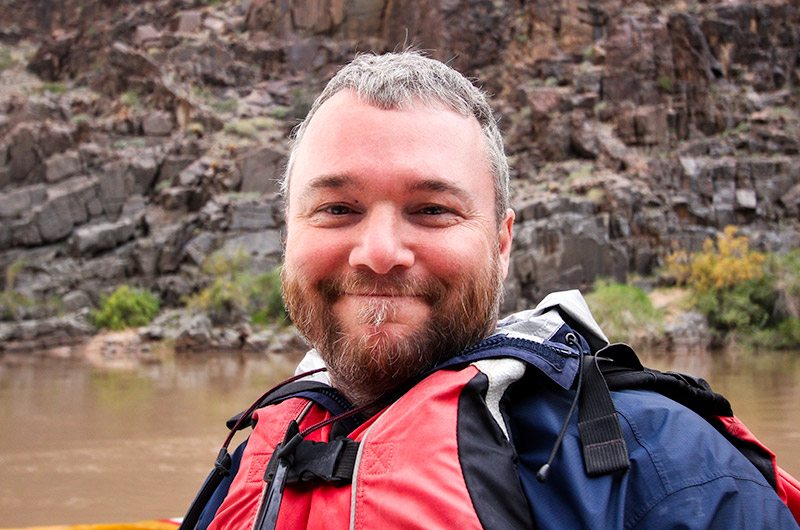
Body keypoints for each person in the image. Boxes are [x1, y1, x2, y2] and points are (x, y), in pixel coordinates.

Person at [186, 51, 799, 529]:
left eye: (431, 210)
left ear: (503, 242)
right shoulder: (248, 468)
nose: (378, 253)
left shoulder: (673, 473)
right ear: (288, 235)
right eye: (338, 208)